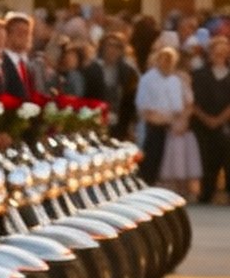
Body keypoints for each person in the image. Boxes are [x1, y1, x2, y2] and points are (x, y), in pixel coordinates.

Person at [136, 43, 199, 197]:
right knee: (149, 159)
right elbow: (142, 104)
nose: (167, 63)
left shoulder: (174, 80)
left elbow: (177, 105)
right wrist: (155, 117)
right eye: (164, 59)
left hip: (169, 125)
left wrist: (173, 119)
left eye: (170, 60)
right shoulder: (148, 79)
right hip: (152, 124)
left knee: (163, 162)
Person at [190, 33, 230, 206]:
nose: (219, 55)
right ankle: (206, 193)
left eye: (223, 51)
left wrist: (220, 119)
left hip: (226, 125)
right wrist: (206, 119)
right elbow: (192, 100)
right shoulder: (199, 74)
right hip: (203, 125)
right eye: (216, 51)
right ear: (210, 53)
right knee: (206, 160)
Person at [82, 32, 140, 138]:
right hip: (96, 120)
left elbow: (133, 98)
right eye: (109, 45)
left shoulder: (129, 71)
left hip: (121, 122)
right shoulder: (92, 70)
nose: (112, 50)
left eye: (117, 46)